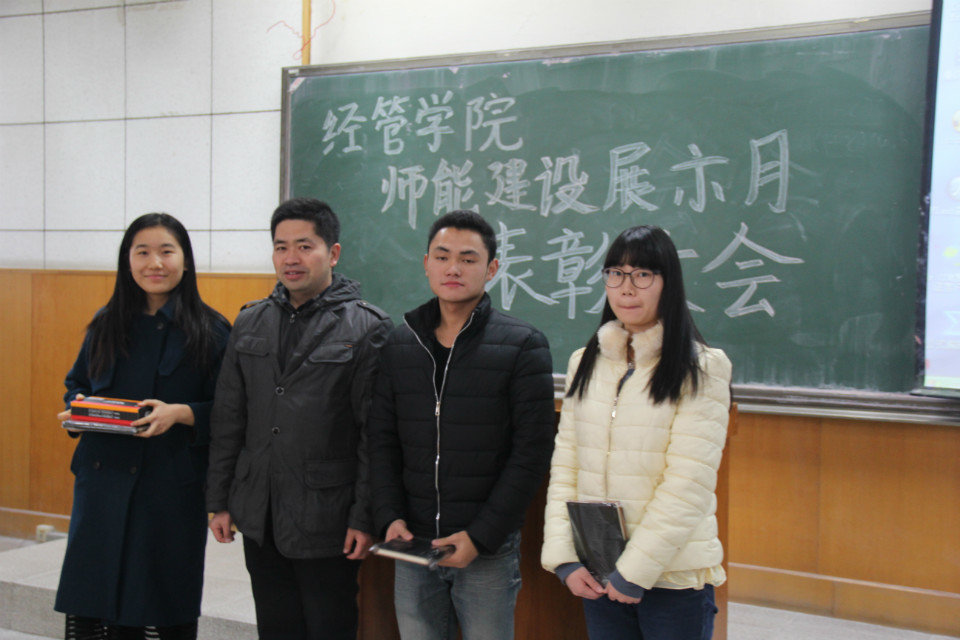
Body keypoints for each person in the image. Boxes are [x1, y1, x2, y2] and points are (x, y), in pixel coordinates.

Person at [205, 198, 392, 640]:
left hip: (328, 513)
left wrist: (364, 517)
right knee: (276, 626)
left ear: (333, 253)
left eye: (305, 246)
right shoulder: (250, 321)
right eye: (281, 247)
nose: (291, 258)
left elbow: (374, 436)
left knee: (329, 626)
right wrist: (219, 500)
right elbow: (229, 419)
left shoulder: (368, 328)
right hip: (260, 509)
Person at [367, 209, 556, 640]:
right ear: (426, 264)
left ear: (491, 269)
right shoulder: (401, 342)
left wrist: (482, 535)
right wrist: (389, 515)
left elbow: (532, 452)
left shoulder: (523, 345)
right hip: (412, 542)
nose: (453, 268)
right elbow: (382, 439)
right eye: (442, 256)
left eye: (468, 259)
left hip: (484, 549)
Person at [540, 225, 732, 640]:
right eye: (616, 273)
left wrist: (634, 571)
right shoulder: (585, 362)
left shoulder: (701, 367)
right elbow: (566, 467)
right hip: (600, 569)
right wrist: (564, 557)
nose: (626, 288)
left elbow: (689, 484)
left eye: (642, 274)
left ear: (668, 283)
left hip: (671, 578)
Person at [54, 213, 231, 640]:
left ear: (185, 260)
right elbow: (77, 384)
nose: (155, 263)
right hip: (101, 484)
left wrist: (182, 413)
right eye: (142, 252)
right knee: (93, 604)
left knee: (158, 601)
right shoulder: (106, 322)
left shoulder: (210, 328)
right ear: (127, 260)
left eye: (167, 251)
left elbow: (232, 410)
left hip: (168, 488)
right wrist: (78, 409)